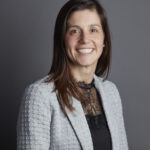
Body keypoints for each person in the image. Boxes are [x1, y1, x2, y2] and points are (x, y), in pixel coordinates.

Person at [17, 0, 129, 149]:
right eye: (74, 31)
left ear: (104, 40)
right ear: (62, 40)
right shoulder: (39, 95)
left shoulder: (111, 92)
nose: (84, 39)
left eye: (93, 30)